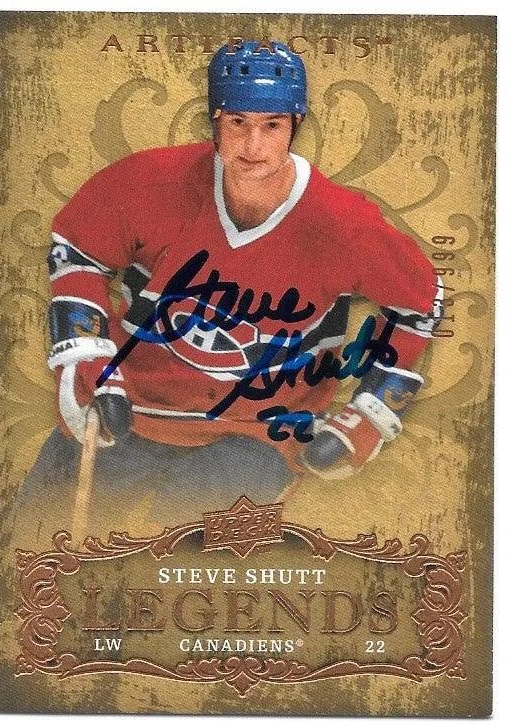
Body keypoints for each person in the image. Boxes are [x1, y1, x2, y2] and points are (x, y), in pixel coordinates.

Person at [22, 40, 441, 524]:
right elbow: (78, 249)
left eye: (272, 126)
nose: (253, 146)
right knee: (37, 531)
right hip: (128, 405)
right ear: (214, 120)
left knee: (184, 551)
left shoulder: (344, 225)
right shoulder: (149, 182)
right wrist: (85, 357)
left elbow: (419, 305)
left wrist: (373, 410)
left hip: (255, 430)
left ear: (296, 125)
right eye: (238, 122)